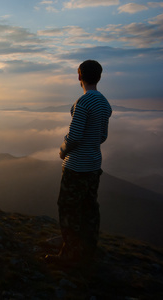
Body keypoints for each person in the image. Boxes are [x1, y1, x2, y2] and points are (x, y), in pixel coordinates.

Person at [45, 60, 112, 267]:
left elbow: (74, 136)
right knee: (89, 207)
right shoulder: (104, 103)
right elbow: (102, 136)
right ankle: (88, 248)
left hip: (76, 166)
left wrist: (62, 151)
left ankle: (70, 255)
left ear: (79, 76)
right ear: (99, 77)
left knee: (68, 208)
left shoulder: (83, 103)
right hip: (94, 164)